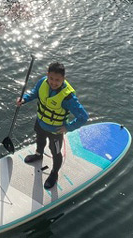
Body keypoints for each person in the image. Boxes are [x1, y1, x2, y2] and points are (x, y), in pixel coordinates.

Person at [16, 61, 89, 190]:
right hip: (40, 122)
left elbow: (83, 117)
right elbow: (34, 93)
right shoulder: (43, 82)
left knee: (55, 152)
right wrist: (25, 99)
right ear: (47, 75)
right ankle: (38, 155)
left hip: (56, 131)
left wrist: (68, 127)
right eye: (51, 78)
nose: (53, 82)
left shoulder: (68, 98)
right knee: (39, 139)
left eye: (57, 80)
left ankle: (54, 173)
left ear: (63, 79)